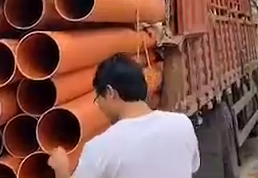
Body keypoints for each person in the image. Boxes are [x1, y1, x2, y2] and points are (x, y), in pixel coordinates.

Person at [48, 53, 200, 178]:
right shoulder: (182, 124)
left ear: (110, 92)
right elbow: (192, 167)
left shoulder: (100, 148)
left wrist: (61, 169)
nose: (100, 106)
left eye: (98, 99)